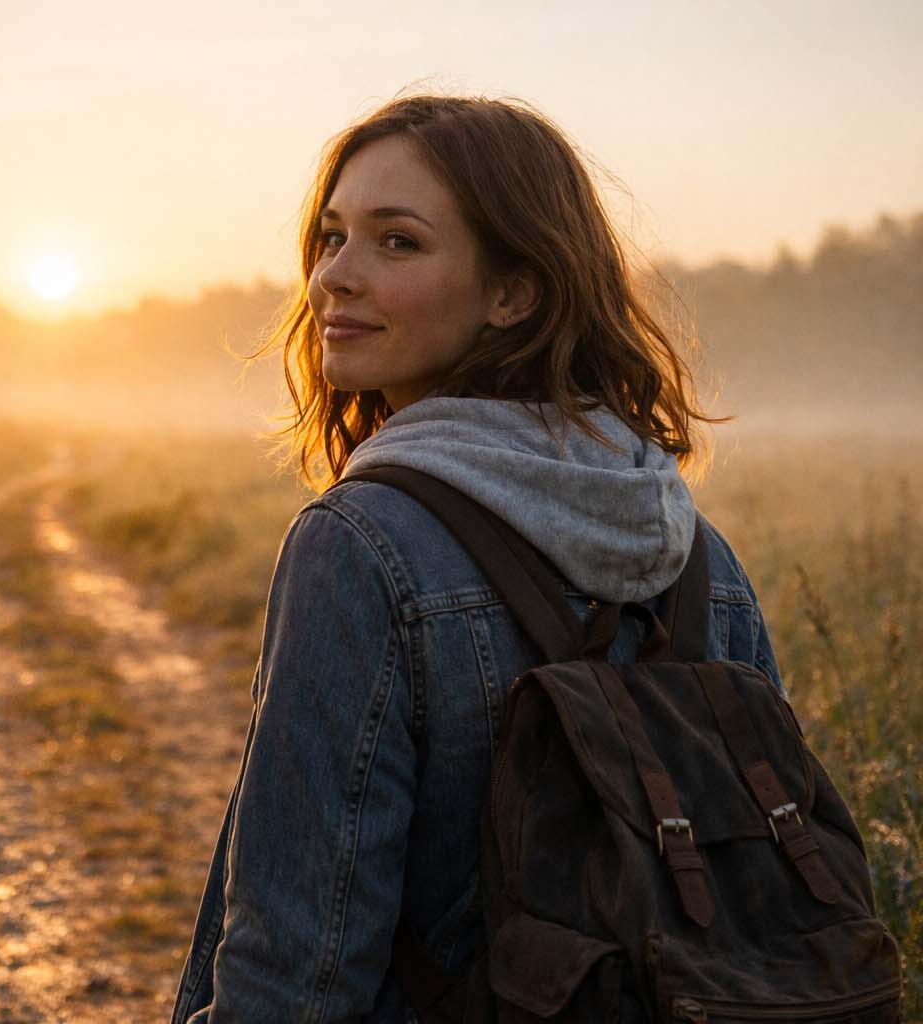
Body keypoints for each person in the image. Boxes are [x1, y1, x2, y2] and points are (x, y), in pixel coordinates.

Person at [168, 95, 782, 1022]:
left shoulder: (359, 544)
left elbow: (301, 960)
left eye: (397, 242)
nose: (335, 275)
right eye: (331, 237)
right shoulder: (699, 553)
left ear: (514, 292)